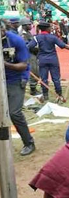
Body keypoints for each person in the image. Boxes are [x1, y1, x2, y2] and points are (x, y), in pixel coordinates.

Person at [1, 20, 36, 156]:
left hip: (16, 79)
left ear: (3, 30)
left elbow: (23, 65)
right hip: (1, 79)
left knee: (14, 112)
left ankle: (29, 142)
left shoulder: (16, 40)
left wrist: (3, 63)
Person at [27, 21, 69, 101]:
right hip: (53, 59)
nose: (51, 29)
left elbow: (29, 46)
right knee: (56, 78)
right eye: (50, 28)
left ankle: (45, 95)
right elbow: (63, 45)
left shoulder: (37, 37)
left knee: (44, 79)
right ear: (47, 28)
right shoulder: (52, 37)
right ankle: (59, 95)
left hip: (42, 60)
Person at [19, 17, 40, 96]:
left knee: (36, 71)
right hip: (29, 55)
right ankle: (33, 90)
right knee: (34, 71)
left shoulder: (28, 33)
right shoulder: (23, 35)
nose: (31, 26)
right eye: (29, 24)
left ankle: (33, 88)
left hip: (33, 54)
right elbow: (26, 46)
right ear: (24, 25)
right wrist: (36, 48)